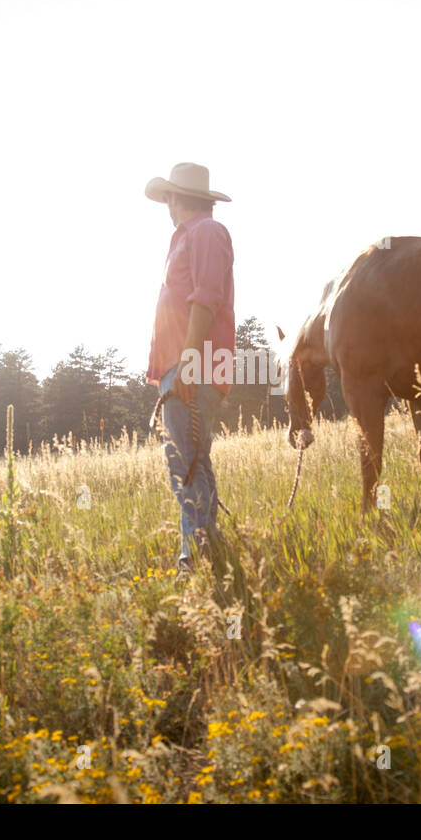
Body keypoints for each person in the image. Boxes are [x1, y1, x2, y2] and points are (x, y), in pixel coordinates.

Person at [144, 162, 235, 574]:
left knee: (186, 462)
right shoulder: (189, 237)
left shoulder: (206, 233)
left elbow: (206, 298)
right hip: (184, 367)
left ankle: (195, 560)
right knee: (191, 460)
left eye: (168, 197)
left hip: (191, 368)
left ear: (177, 198)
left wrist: (187, 362)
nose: (165, 205)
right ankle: (208, 553)